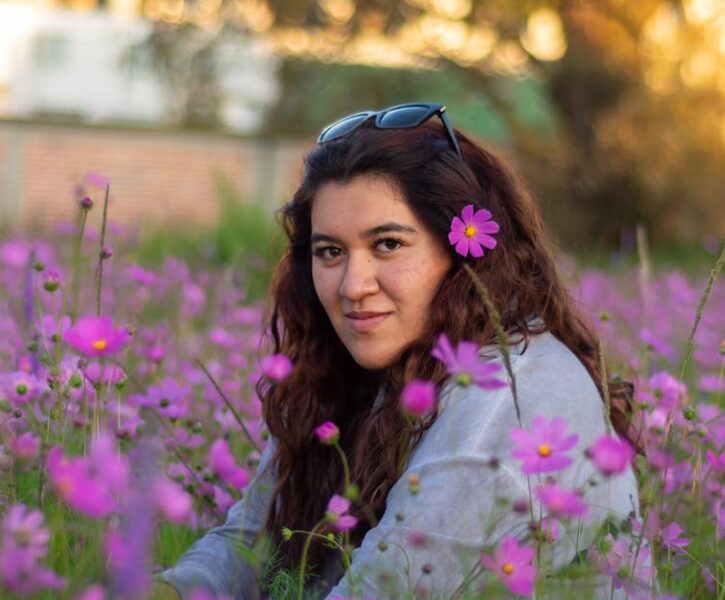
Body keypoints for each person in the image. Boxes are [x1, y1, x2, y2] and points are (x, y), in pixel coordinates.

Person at [154, 103, 642, 599]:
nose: (353, 285)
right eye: (330, 252)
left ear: (463, 251)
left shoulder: (500, 400)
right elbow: (248, 544)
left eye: (387, 244)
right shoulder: (369, 362)